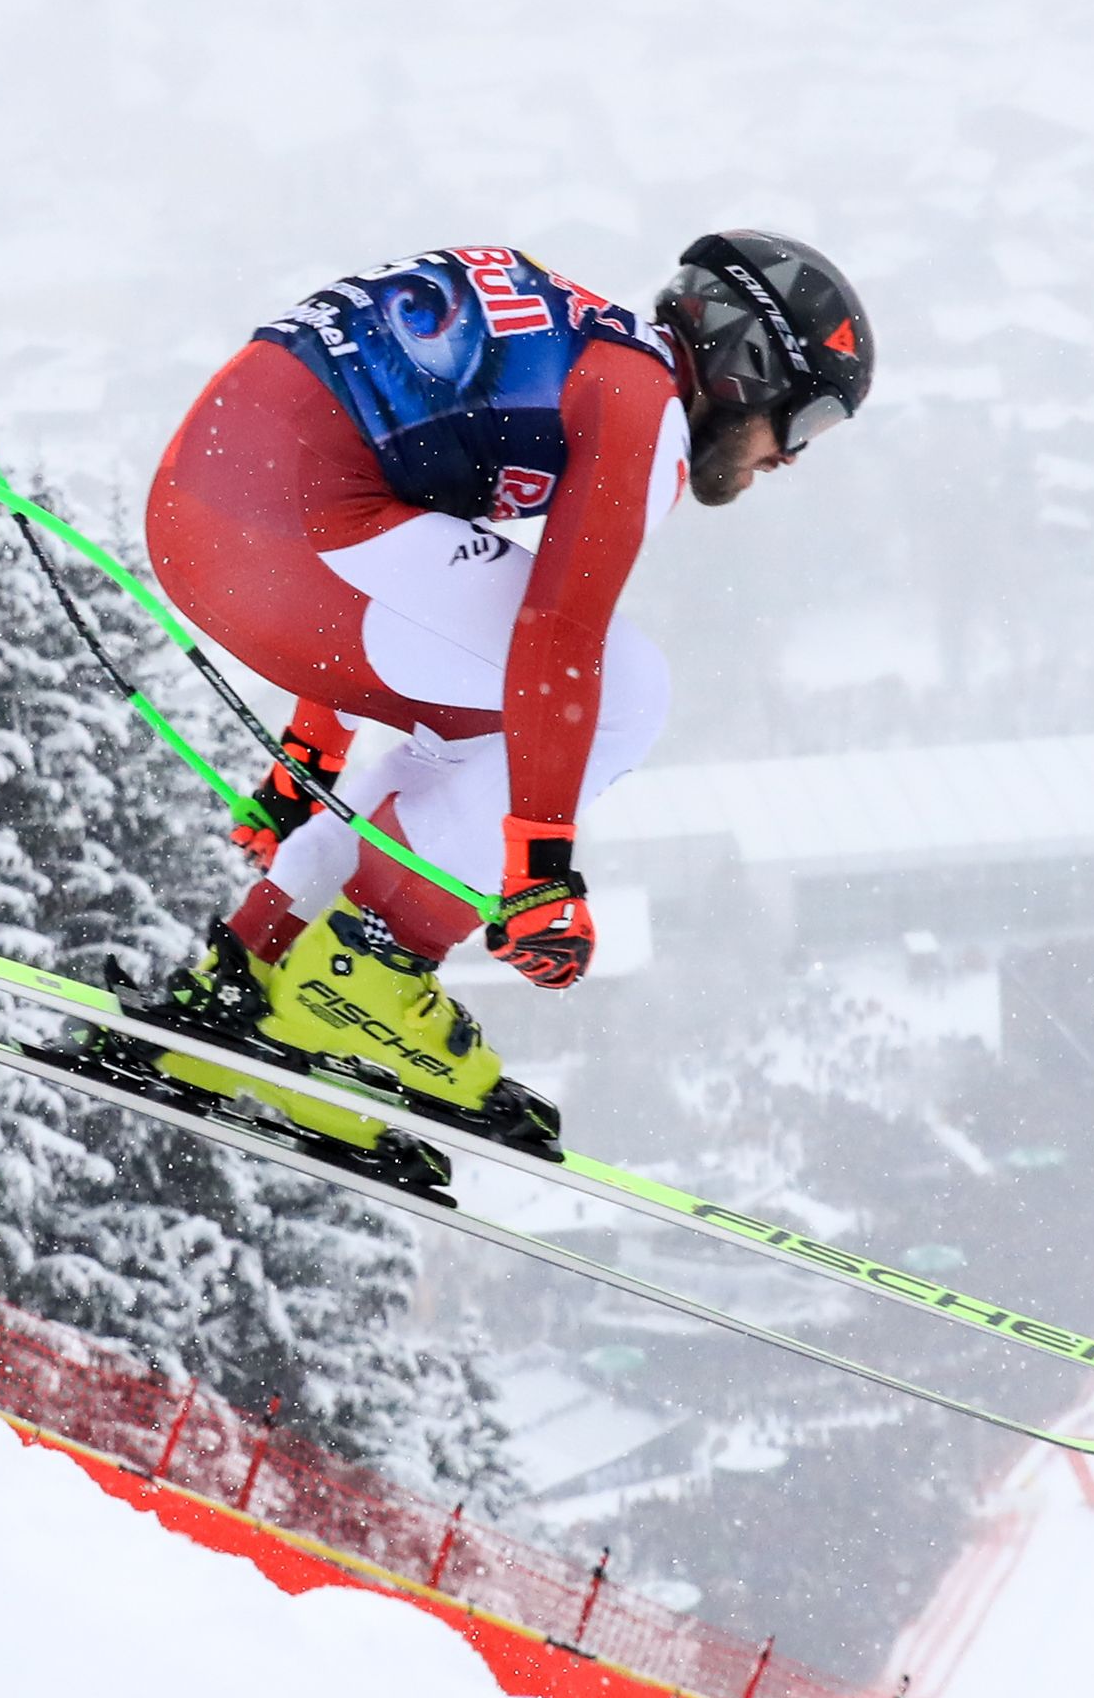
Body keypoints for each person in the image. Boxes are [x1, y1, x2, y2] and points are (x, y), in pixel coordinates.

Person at [116, 232, 872, 1176]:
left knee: (481, 732)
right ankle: (361, 984)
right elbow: (556, 639)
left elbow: (404, 560)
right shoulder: (641, 410)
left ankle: (248, 971)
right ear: (748, 367)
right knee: (623, 693)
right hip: (281, 532)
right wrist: (541, 873)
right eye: (804, 426)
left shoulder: (582, 355)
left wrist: (310, 750)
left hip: (213, 521)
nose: (790, 461)